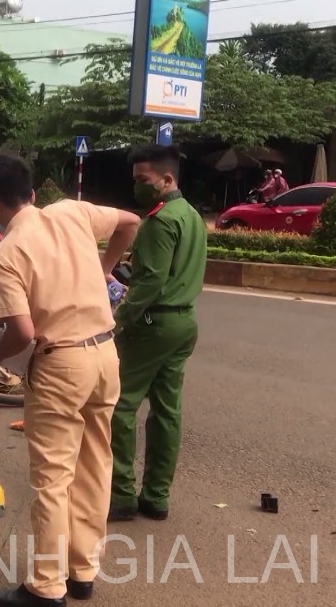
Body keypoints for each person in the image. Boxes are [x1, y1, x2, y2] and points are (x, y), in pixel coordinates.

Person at [0, 155, 141, 607]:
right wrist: (105, 268)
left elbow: (21, 333)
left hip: (61, 364)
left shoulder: (5, 255)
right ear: (32, 193)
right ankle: (83, 571)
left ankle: (47, 586)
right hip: (105, 354)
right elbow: (131, 222)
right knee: (95, 465)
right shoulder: (72, 211)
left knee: (53, 479)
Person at [108, 144, 207, 523]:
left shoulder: (160, 222)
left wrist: (118, 320)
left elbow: (149, 282)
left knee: (119, 404)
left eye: (143, 179)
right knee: (166, 410)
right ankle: (156, 496)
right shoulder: (192, 216)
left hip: (153, 324)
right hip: (184, 323)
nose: (137, 186)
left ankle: (120, 494)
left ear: (167, 179)